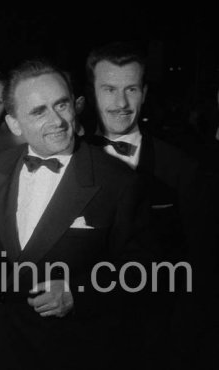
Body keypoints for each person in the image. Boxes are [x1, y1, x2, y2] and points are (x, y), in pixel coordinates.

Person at [0, 59, 151, 370]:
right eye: (39, 111)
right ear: (14, 124)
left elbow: (144, 267)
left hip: (75, 350)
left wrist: (79, 292)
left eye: (61, 105)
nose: (58, 121)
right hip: (4, 346)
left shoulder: (118, 180)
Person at [85, 42, 219, 370]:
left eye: (131, 89)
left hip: (153, 338)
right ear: (92, 93)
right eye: (109, 89)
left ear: (144, 93)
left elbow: (200, 269)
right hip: (82, 336)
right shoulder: (70, 161)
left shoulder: (183, 169)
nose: (121, 103)